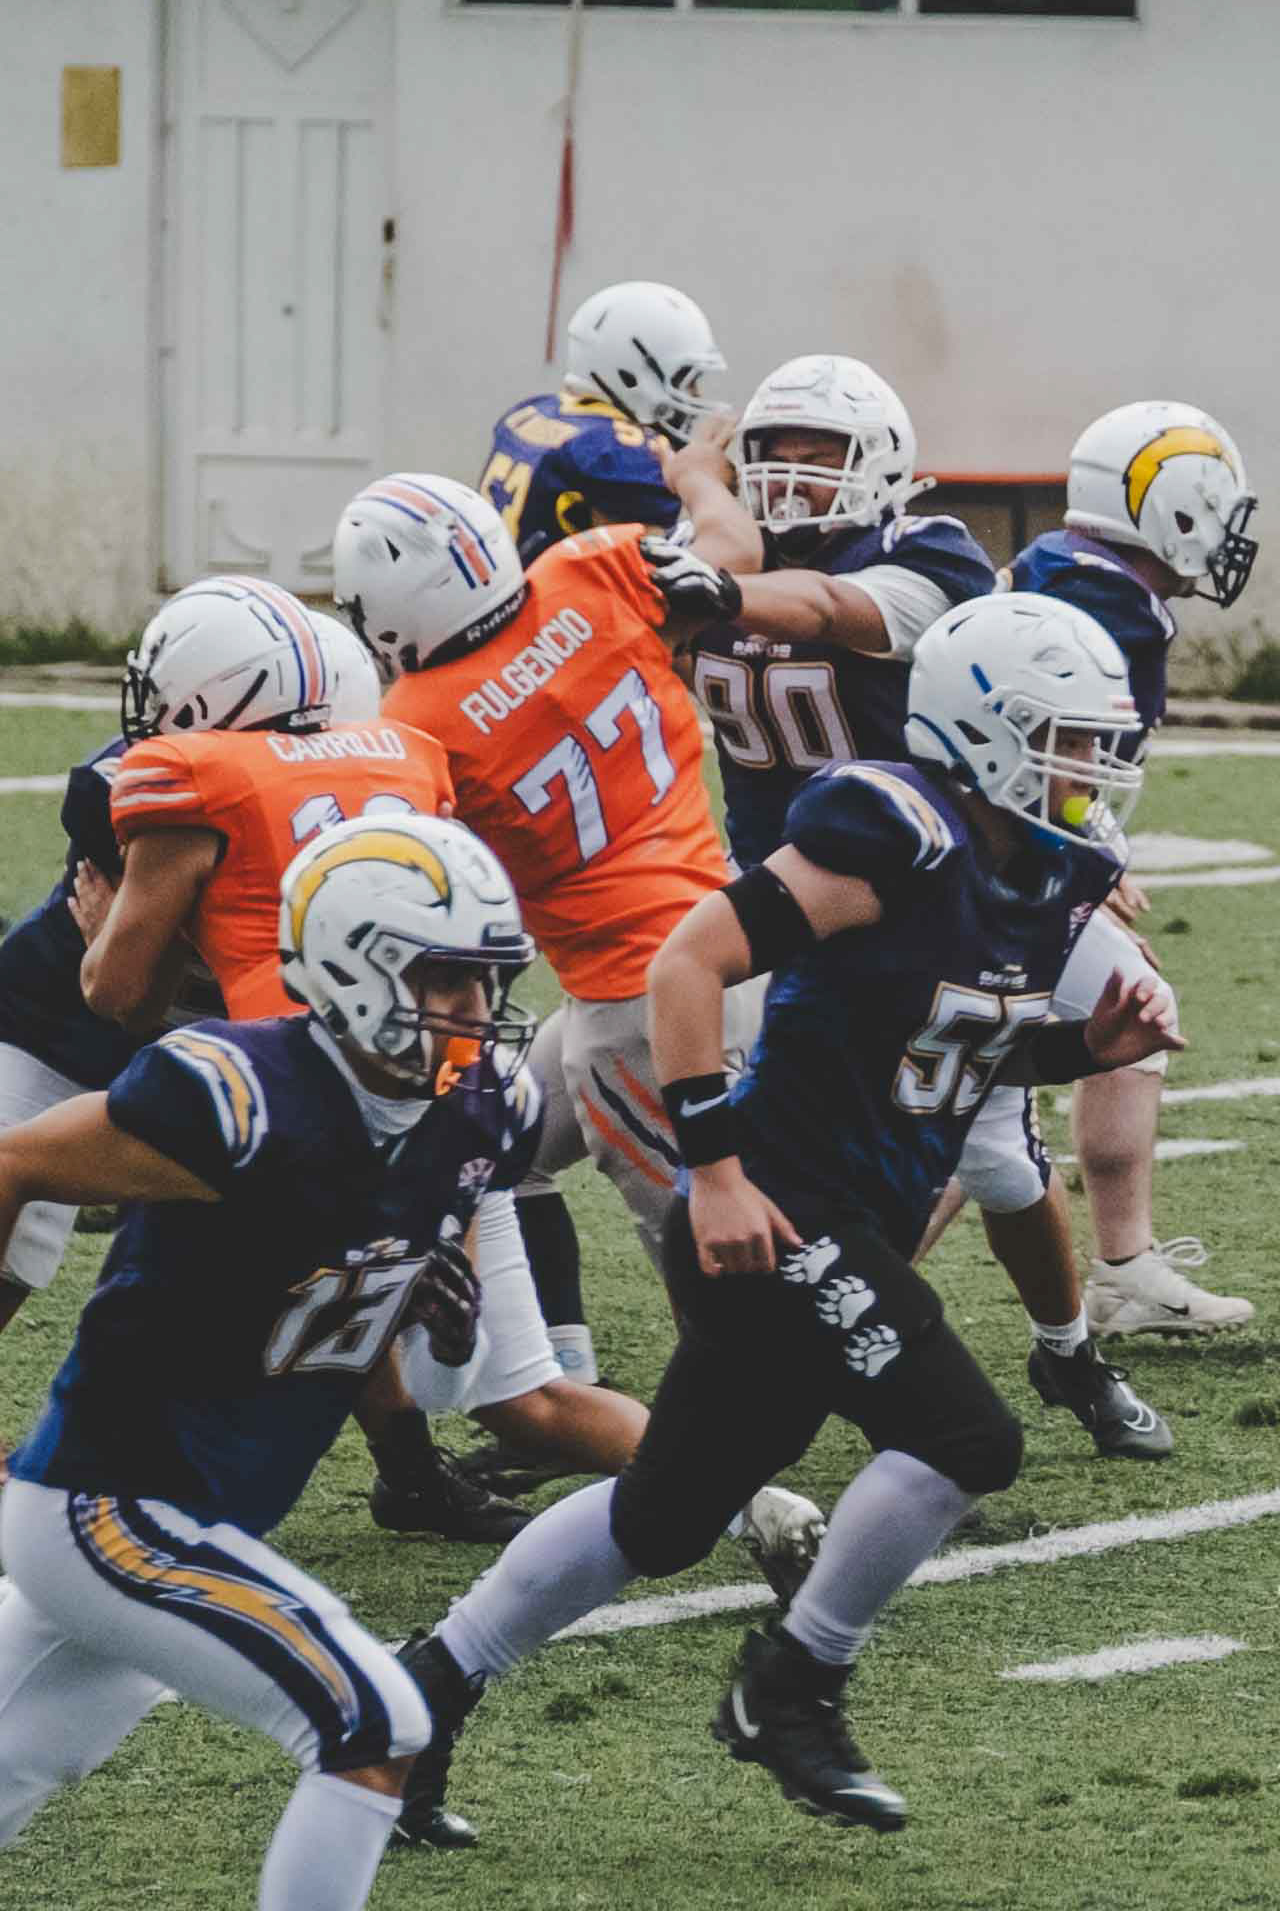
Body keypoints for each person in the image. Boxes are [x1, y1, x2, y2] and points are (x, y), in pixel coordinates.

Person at [384, 591, 1184, 1844]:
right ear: (981, 729)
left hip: (836, 1215)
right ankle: (793, 1683)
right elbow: (686, 963)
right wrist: (712, 1171)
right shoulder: (893, 831)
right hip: (777, 1205)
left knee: (661, 1515)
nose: (1087, 769)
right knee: (966, 1439)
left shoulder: (1041, 870)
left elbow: (951, 1044)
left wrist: (1089, 1048)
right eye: (1063, 740)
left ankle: (416, 1703)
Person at [0, 814, 549, 1907]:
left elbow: (448, 1387)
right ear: (354, 967)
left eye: (489, 979)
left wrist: (452, 1333)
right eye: (447, 978)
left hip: (206, 1514)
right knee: (374, 1722)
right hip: (112, 1501)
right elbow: (13, 1160)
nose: (476, 1008)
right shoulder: (236, 1093)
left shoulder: (483, 1114)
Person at [74, 576, 653, 1569]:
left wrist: (109, 926)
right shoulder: (402, 752)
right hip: (455, 1073)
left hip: (309, 1098)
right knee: (505, 1387)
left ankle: (127, 1502)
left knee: (205, 1303)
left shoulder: (189, 776)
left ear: (208, 692)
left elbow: (118, 993)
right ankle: (711, 1487)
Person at [655, 353, 1170, 1458]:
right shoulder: (717, 550)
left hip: (934, 879)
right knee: (844, 1138)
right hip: (796, 892)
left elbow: (828, 610)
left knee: (988, 1140)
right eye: (773, 453)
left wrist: (713, 570)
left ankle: (1063, 1349)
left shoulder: (922, 552)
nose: (792, 475)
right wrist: (700, 503)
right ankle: (743, 1367)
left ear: (882, 462)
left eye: (822, 454)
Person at [331, 471, 826, 1612]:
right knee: (499, 1148)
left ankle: (754, 1474)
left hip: (637, 1011)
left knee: (717, 1272)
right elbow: (721, 566)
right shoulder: (593, 566)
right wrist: (699, 474)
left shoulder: (417, 722)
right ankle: (564, 1374)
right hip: (726, 940)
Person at [0, 608, 366, 1374]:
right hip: (62, 1019)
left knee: (295, 1248)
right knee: (20, 1225)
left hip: (217, 1044)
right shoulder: (136, 786)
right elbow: (123, 995)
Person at [1000, 401, 1258, 1337]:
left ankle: (1123, 1272)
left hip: (1020, 857)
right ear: (1171, 511)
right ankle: (829, 1306)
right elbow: (1032, 747)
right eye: (1215, 510)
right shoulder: (1105, 608)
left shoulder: (1073, 571)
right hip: (995, 871)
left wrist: (1087, 853)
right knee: (971, 1109)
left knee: (1135, 1004)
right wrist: (1085, 855)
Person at [478, 280, 728, 567]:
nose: (695, 394)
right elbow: (650, 577)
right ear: (631, 374)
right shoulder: (625, 452)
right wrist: (703, 480)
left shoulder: (531, 411)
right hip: (559, 595)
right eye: (686, 380)